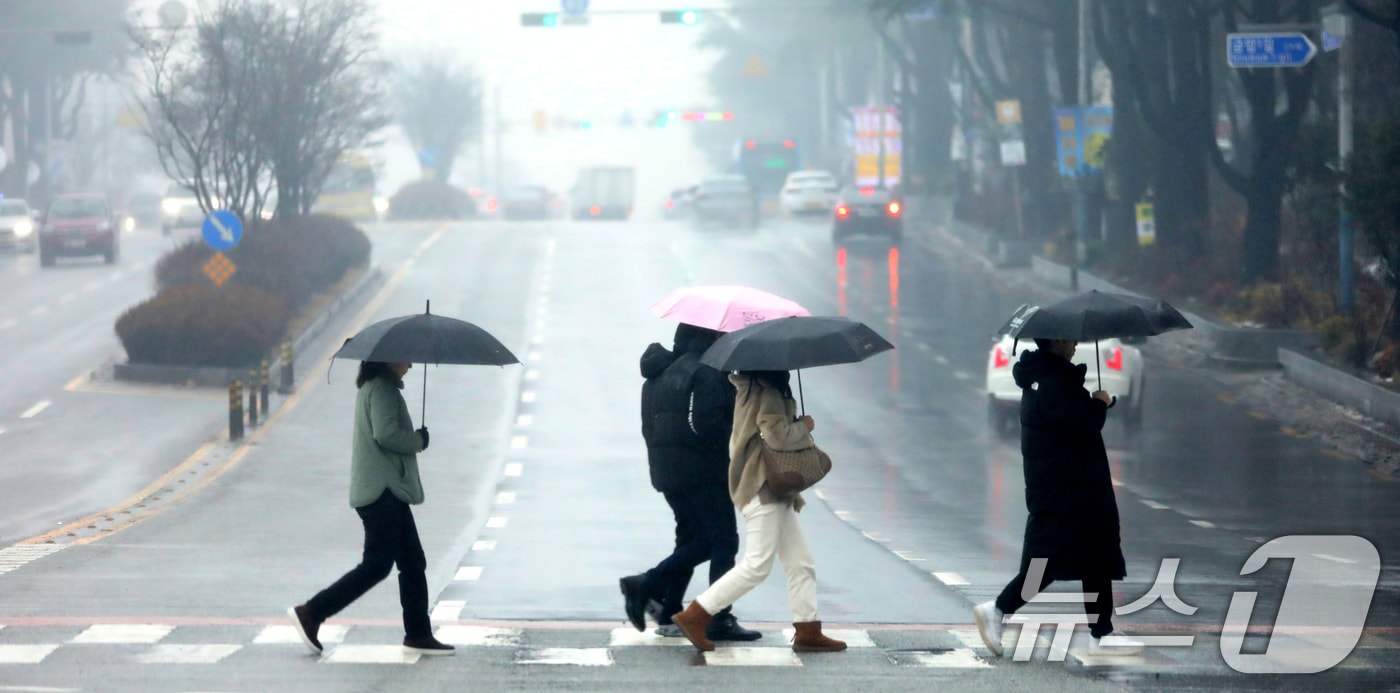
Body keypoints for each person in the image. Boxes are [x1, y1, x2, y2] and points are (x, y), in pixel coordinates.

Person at [973, 338, 1144, 657]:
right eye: (1069, 339)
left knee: (1095, 559)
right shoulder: (1054, 383)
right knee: (1047, 564)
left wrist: (1092, 403)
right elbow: (1079, 425)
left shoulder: (1046, 378)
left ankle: (1101, 632)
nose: (1075, 343)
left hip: (1069, 487)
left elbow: (1069, 421)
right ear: (1055, 342)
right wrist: (1100, 403)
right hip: (1066, 490)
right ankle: (997, 609)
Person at [287, 360, 455, 657]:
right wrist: (418, 440)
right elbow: (386, 434)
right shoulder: (381, 389)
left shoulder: (376, 387)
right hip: (383, 492)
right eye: (406, 358)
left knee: (413, 562)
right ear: (389, 359)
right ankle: (312, 612)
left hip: (387, 490)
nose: (412, 364)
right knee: (377, 565)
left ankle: (418, 633)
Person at [672, 370, 846, 653]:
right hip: (763, 487)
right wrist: (803, 426)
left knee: (799, 562)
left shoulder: (749, 388)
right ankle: (696, 615)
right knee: (757, 565)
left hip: (770, 489)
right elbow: (777, 437)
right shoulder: (770, 393)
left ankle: (808, 630)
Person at [619, 323, 760, 642]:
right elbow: (709, 427)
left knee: (691, 539)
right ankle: (715, 616)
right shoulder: (706, 373)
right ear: (709, 338)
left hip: (668, 472)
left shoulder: (659, 373)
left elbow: (650, 428)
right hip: (705, 472)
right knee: (723, 542)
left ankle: (669, 610)